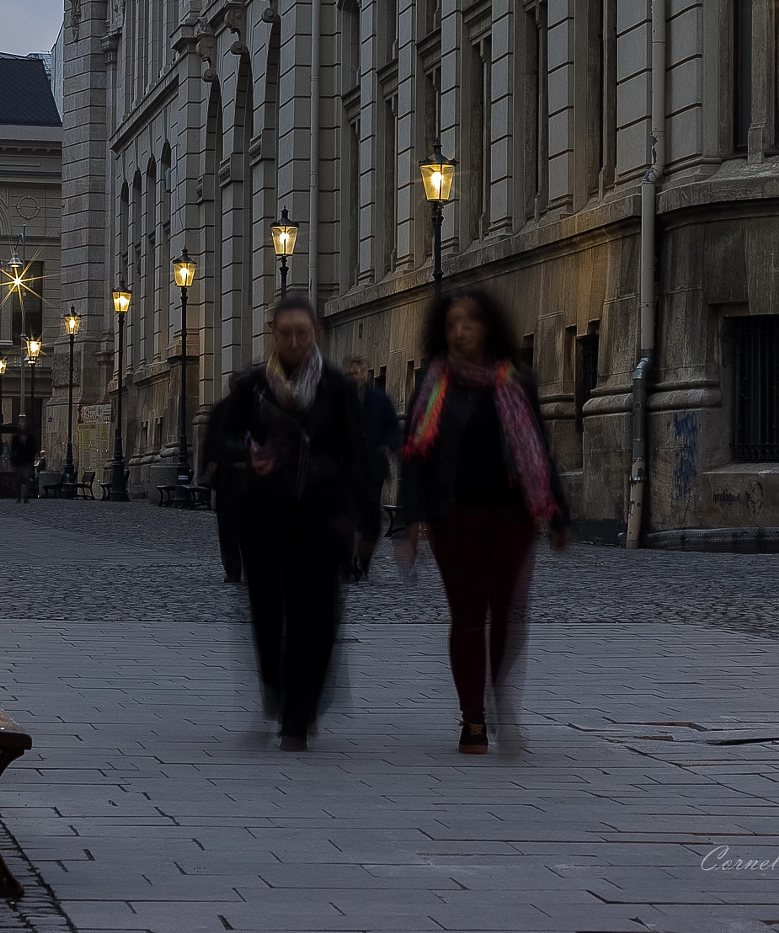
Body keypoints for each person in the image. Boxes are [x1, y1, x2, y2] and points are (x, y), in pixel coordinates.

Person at [394, 288, 569, 756]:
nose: (460, 330)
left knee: (509, 613)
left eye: (470, 321)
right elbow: (414, 456)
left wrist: (559, 514)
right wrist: (410, 522)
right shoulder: (433, 384)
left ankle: (501, 699)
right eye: (452, 323)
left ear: (488, 326)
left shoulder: (516, 381)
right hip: (455, 516)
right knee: (469, 615)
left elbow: (538, 450)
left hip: (512, 515)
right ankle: (472, 717)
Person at [217, 293, 377, 750]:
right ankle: (275, 686)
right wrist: (247, 454)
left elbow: (357, 454)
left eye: (301, 333)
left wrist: (362, 518)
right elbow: (223, 441)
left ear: (315, 334)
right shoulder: (253, 386)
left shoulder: (337, 386)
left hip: (320, 513)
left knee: (315, 613)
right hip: (263, 513)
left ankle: (299, 713)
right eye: (285, 333)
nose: (293, 342)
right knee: (267, 608)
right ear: (272, 334)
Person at [346, 356, 400, 578]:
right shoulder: (340, 399)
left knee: (369, 520)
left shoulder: (379, 399)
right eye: (351, 373)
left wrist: (387, 446)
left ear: (366, 374)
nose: (355, 377)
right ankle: (347, 562)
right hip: (346, 469)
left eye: (358, 372)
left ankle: (363, 562)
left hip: (372, 468)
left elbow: (392, 427)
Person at [200, 373, 244, 583]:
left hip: (250, 480)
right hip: (228, 479)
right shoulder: (221, 410)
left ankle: (238, 568)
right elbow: (210, 443)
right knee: (227, 528)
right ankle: (233, 568)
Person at [8, 415, 38, 502]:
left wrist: (32, 458)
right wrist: (12, 460)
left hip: (27, 461)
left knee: (26, 479)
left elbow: (33, 448)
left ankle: (25, 496)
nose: (23, 427)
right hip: (18, 461)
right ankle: (18, 497)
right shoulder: (16, 438)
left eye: (24, 426)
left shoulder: (31, 437)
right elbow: (13, 449)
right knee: (18, 480)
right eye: (21, 426)